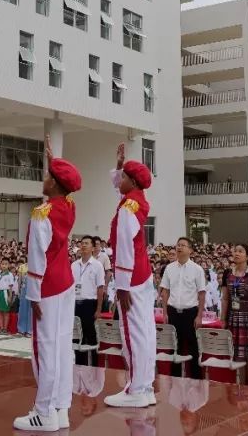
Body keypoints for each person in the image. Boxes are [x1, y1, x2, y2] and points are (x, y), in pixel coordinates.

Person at [13, 141, 78, 432]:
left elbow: (37, 256)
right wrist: (56, 162)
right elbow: (66, 187)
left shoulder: (43, 213)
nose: (44, 178)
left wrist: (34, 294)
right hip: (65, 283)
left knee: (45, 349)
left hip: (48, 286)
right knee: (63, 347)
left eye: (48, 175)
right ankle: (60, 408)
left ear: (54, 184)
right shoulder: (68, 206)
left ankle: (43, 412)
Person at [103, 145, 157, 409]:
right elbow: (121, 188)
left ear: (132, 181)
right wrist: (120, 164)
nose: (119, 181)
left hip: (132, 278)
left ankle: (136, 388)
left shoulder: (127, 208)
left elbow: (123, 247)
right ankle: (144, 386)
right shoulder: (137, 200)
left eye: (123, 177)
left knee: (132, 333)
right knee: (145, 332)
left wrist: (121, 286)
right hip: (142, 275)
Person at [159, 236, 206, 379]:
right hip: (173, 312)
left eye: (183, 245)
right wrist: (165, 312)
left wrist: (199, 316)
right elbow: (165, 291)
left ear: (190, 250)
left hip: (190, 313)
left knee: (193, 349)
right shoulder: (169, 268)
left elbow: (201, 293)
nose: (179, 247)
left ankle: (196, 382)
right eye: (178, 245)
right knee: (174, 348)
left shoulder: (197, 269)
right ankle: (175, 380)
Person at [220, 244, 248, 385]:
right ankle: (241, 387)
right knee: (238, 354)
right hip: (233, 317)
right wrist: (222, 318)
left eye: (241, 251)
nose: (237, 253)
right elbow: (225, 298)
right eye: (235, 251)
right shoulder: (227, 273)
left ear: (247, 256)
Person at [72, 235, 105, 366]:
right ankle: (80, 366)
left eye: (86, 243)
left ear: (92, 247)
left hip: (90, 305)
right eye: (82, 243)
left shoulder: (97, 266)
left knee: (90, 338)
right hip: (75, 304)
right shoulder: (74, 265)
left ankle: (94, 368)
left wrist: (98, 309)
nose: (83, 245)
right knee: (77, 337)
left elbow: (100, 288)